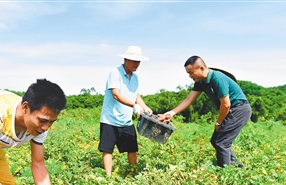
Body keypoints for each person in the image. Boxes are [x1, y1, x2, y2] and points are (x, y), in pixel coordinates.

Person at [158, 56, 252, 168]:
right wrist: (172, 112)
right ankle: (237, 168)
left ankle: (227, 173)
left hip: (239, 109)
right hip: (231, 109)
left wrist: (219, 123)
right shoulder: (201, 82)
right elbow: (189, 99)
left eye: (191, 72)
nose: (190, 76)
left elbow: (226, 105)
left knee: (222, 142)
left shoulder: (217, 78)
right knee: (216, 140)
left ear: (202, 68)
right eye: (188, 73)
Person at [98, 46, 153, 177]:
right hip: (110, 119)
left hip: (126, 120)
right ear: (126, 59)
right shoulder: (115, 73)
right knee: (107, 150)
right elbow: (115, 94)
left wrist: (145, 108)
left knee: (132, 149)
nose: (137, 64)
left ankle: (132, 175)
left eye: (138, 61)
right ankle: (108, 178)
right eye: (134, 61)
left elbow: (136, 96)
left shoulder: (135, 78)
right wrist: (134, 106)